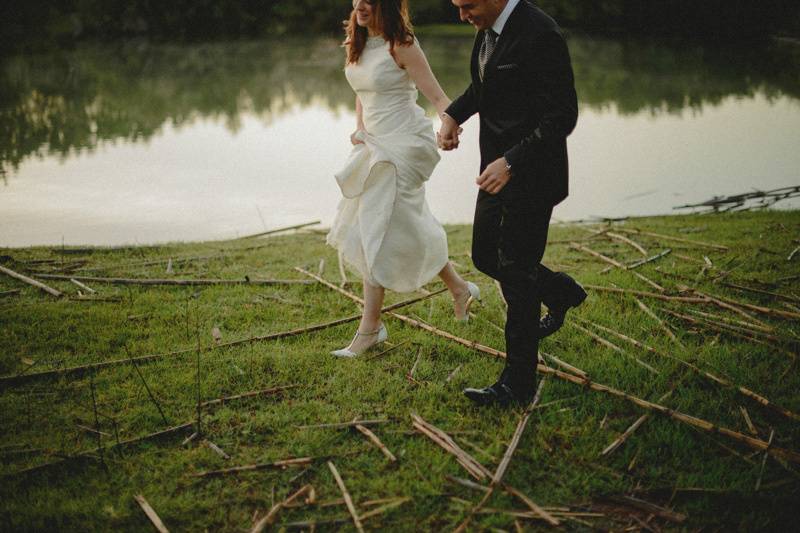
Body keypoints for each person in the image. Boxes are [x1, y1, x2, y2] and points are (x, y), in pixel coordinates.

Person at [438, 0, 586, 406]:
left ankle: (516, 385)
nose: (462, 16)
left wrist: (512, 162)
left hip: (532, 175)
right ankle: (558, 291)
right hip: (495, 172)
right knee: (485, 256)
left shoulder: (540, 34)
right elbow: (484, 88)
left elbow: (561, 116)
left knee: (516, 276)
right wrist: (454, 114)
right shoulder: (488, 32)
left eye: (467, 6)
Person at [327, 0, 480, 357]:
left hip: (404, 145)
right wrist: (360, 130)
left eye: (369, 1)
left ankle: (370, 329)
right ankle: (459, 289)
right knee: (403, 225)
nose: (359, 6)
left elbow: (439, 96)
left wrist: (450, 123)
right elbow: (362, 93)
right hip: (375, 146)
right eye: (356, 0)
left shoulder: (403, 46)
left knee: (375, 228)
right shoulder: (358, 43)